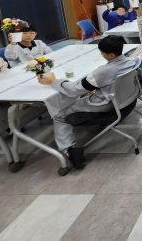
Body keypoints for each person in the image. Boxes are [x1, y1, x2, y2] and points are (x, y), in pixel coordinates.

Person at [37, 35, 135, 169]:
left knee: (59, 114)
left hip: (105, 104)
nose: (101, 55)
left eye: (102, 53)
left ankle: (69, 151)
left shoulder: (104, 71)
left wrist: (53, 81)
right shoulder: (130, 61)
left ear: (111, 55)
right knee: (81, 95)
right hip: (124, 99)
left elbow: (74, 90)